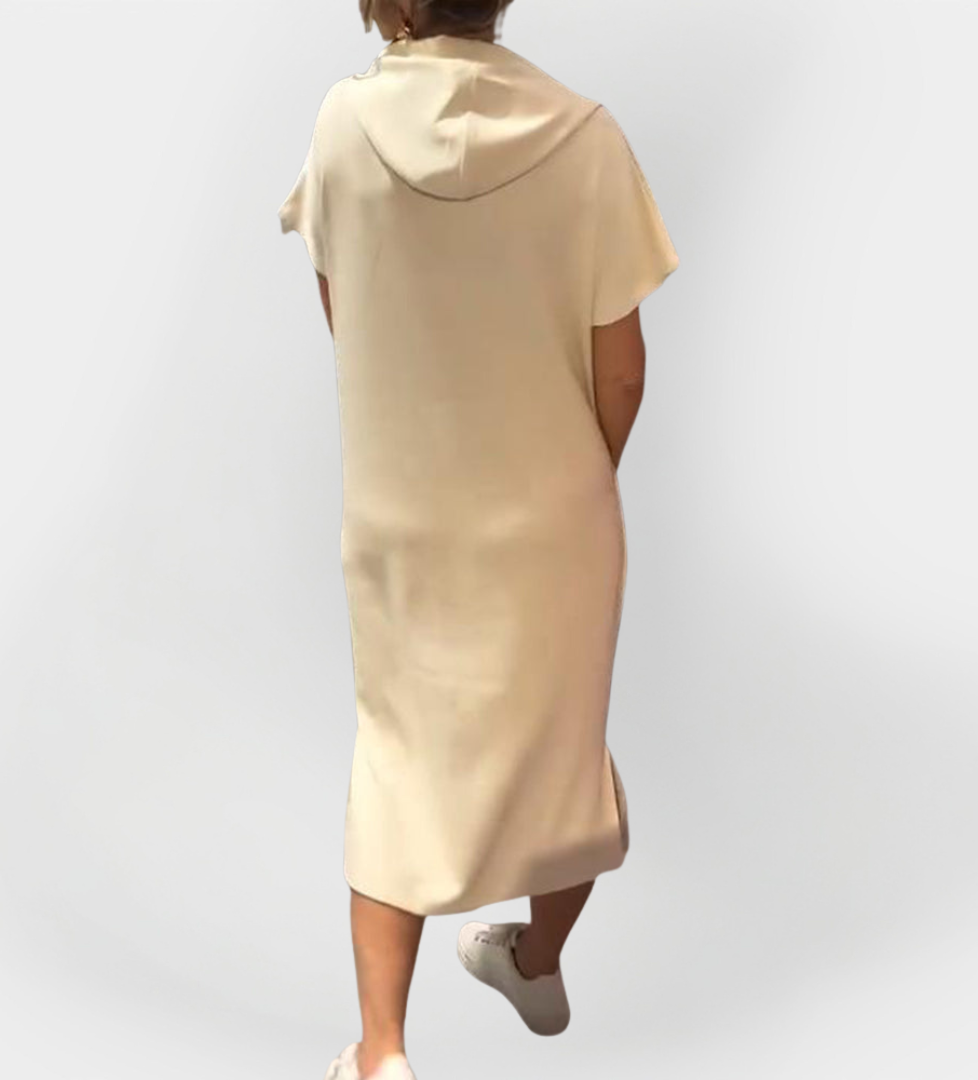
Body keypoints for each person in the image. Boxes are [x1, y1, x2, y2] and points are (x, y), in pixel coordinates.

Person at [278, 2, 679, 1077]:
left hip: (404, 515)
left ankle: (382, 1052)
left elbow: (349, 315)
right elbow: (624, 373)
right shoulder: (586, 137)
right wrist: (568, 489)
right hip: (553, 519)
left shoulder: (343, 124)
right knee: (559, 751)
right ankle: (535, 963)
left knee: (399, 757)